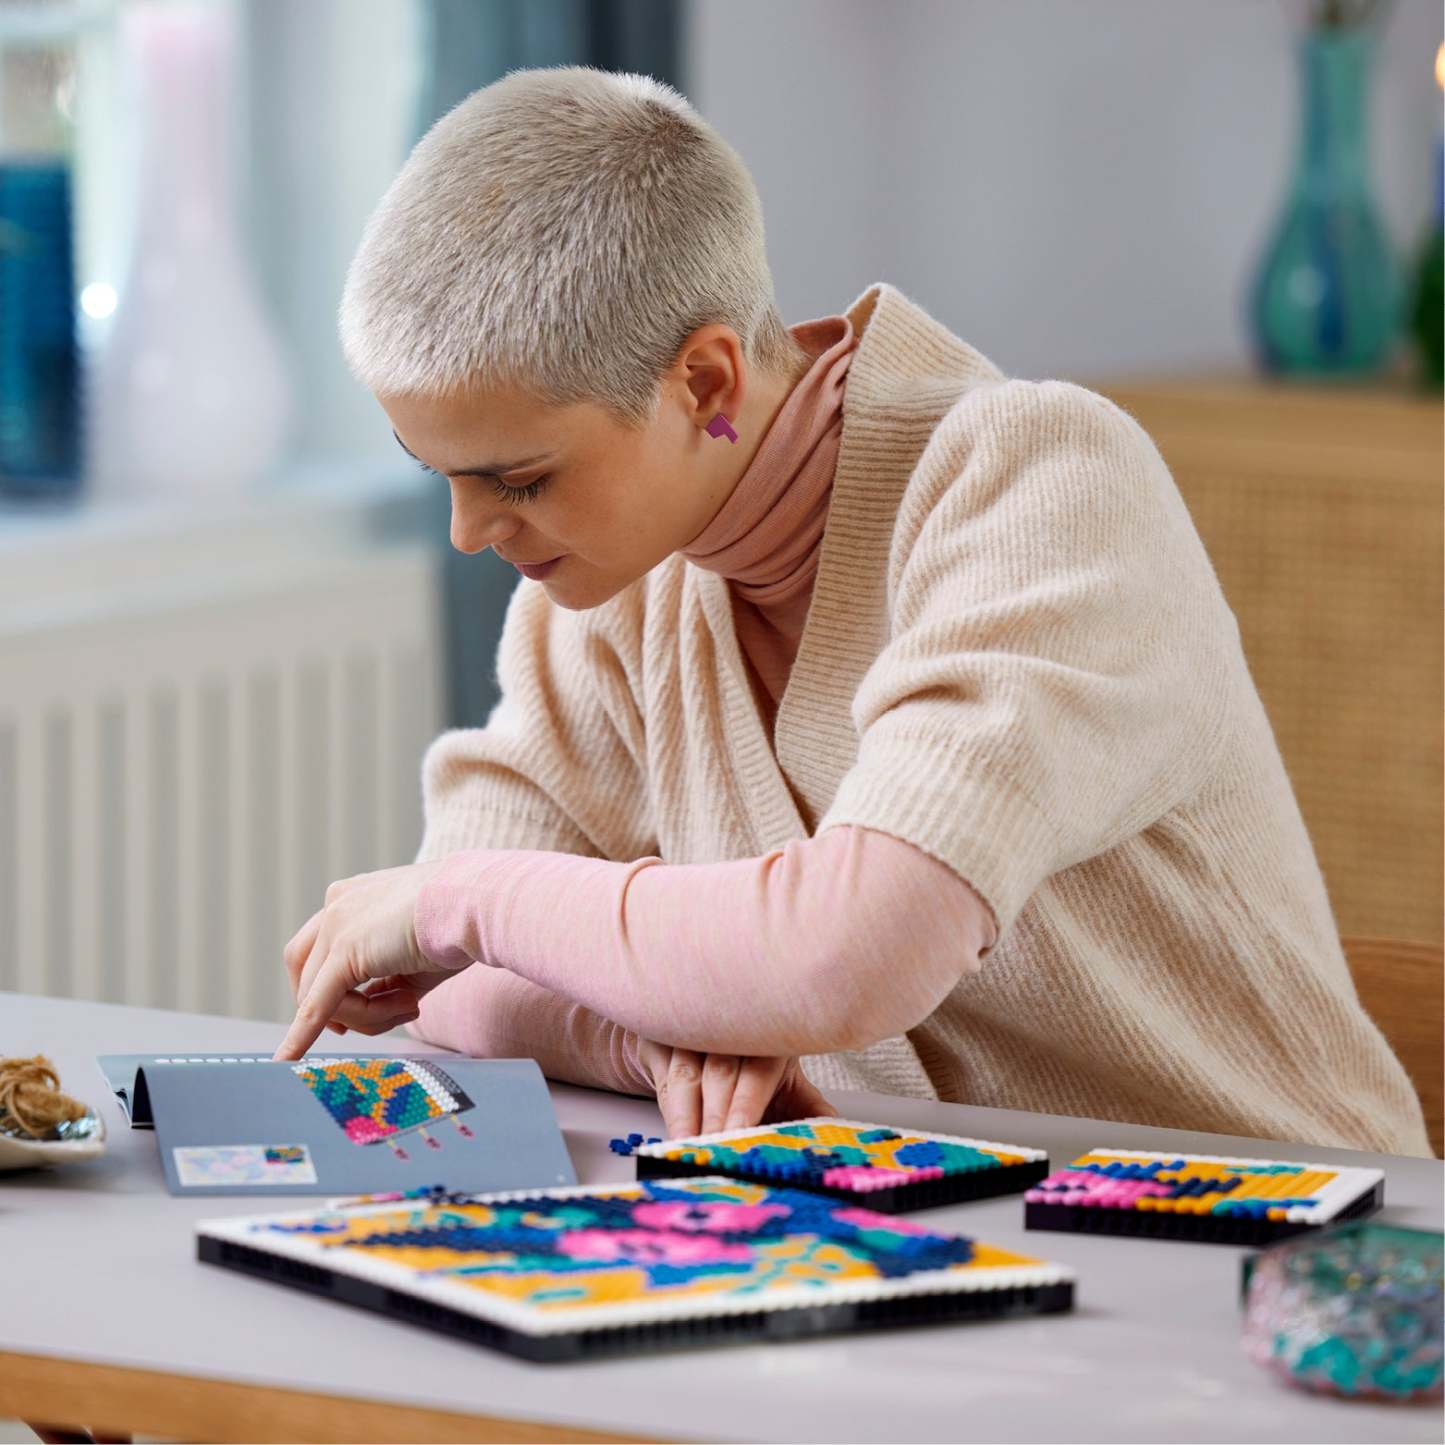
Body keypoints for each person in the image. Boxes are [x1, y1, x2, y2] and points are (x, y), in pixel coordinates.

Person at [273, 64, 1430, 1158]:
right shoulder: (603, 587)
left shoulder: (1040, 481)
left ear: (705, 382)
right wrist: (657, 1028)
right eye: (440, 473)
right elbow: (445, 987)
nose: (468, 532)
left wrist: (461, 900)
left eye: (519, 479)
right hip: (937, 1217)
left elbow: (846, 951)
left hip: (1290, 1227)